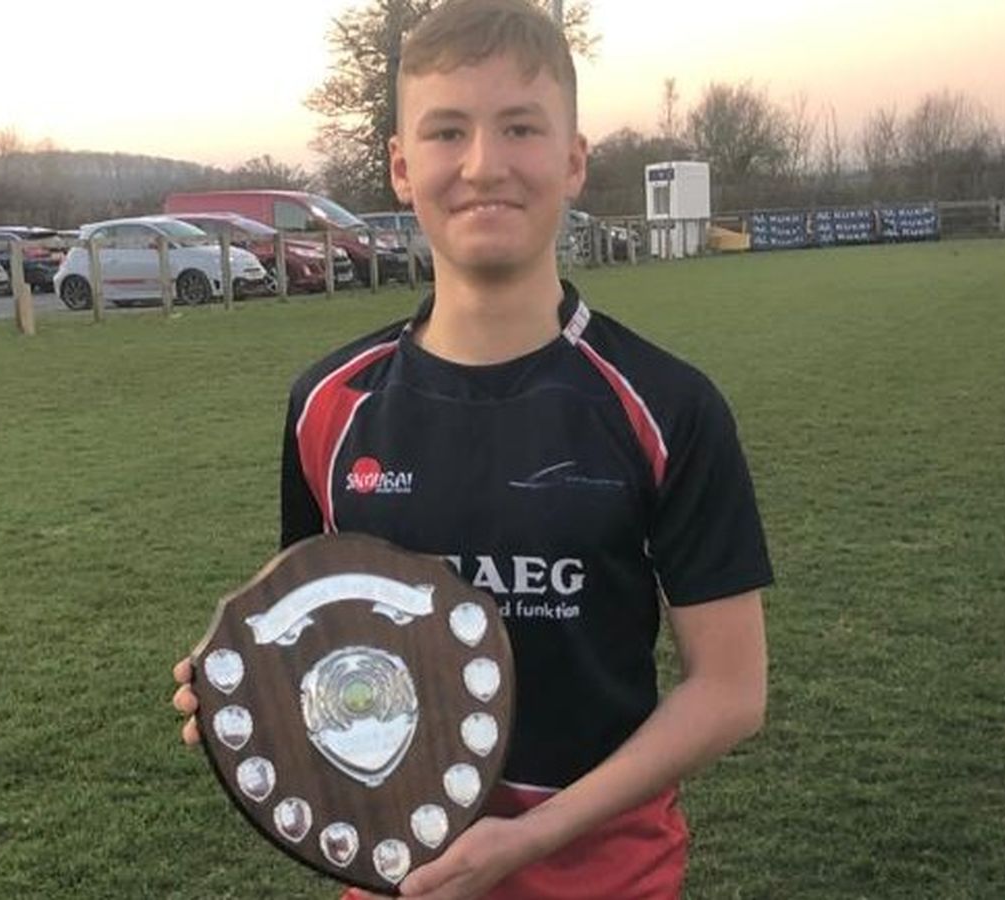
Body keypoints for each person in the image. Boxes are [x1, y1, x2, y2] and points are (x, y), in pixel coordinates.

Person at [173, 0, 773, 897]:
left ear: (573, 160)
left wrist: (529, 839)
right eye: (447, 131)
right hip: (396, 876)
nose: (484, 165)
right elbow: (322, 628)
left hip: (607, 878)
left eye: (520, 128)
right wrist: (244, 681)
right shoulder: (328, 406)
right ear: (401, 166)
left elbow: (729, 689)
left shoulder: (667, 406)